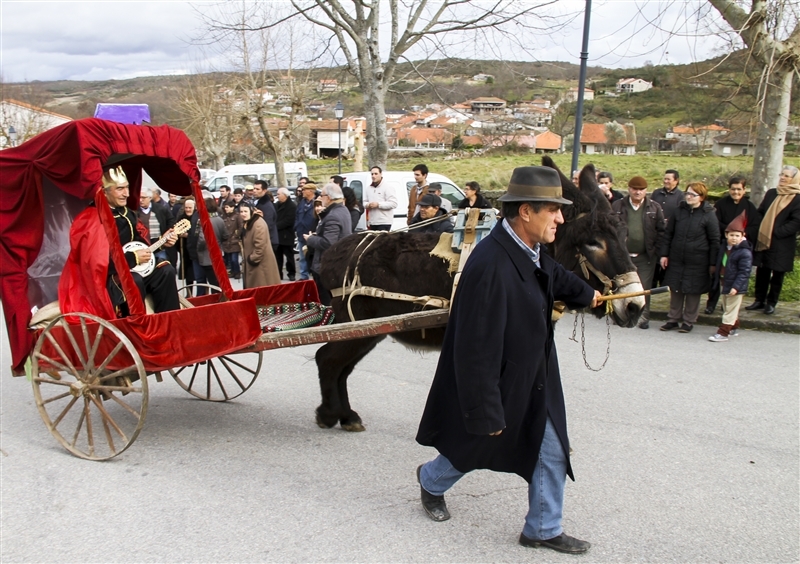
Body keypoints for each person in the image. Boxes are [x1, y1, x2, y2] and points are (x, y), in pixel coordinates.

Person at [415, 166, 599, 555]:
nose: (561, 219)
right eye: (554, 210)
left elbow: (552, 274)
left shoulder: (526, 249)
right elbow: (474, 349)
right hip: (501, 382)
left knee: (550, 448)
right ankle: (431, 481)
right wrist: (484, 410)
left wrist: (588, 294)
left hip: (533, 375)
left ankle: (543, 528)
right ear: (527, 211)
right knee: (473, 447)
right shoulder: (490, 266)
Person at [59, 166, 180, 318]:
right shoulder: (92, 219)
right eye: (120, 189)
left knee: (166, 270)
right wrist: (133, 258)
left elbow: (139, 244)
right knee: (132, 281)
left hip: (134, 270)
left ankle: (170, 321)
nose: (127, 194)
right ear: (104, 192)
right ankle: (139, 329)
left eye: (127, 188)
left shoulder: (127, 213)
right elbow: (95, 263)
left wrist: (161, 242)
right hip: (108, 279)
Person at [658, 181, 720, 333]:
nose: (689, 197)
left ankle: (689, 321)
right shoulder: (679, 211)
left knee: (693, 291)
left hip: (698, 260)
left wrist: (712, 263)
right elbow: (669, 234)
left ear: (702, 197)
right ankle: (673, 318)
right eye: (687, 193)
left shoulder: (709, 214)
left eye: (693, 194)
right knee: (676, 289)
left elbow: (714, 240)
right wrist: (664, 254)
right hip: (677, 258)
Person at [611, 176, 665, 329]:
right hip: (623, 256)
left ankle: (642, 317)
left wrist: (655, 250)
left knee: (644, 287)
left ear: (646, 191)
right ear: (629, 189)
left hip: (645, 256)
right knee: (621, 286)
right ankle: (620, 314)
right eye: (634, 189)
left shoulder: (654, 207)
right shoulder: (617, 205)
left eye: (641, 189)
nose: (637, 192)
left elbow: (661, 230)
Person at [746, 165, 800, 315]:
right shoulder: (771, 193)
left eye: (787, 176)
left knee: (777, 273)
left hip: (782, 242)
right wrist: (760, 227)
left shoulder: (797, 198)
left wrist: (777, 232)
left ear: (794, 179)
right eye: (781, 174)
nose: (782, 178)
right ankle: (759, 300)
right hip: (764, 238)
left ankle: (771, 302)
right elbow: (761, 212)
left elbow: (796, 222)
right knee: (762, 271)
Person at [705, 176, 761, 314]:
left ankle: (727, 305)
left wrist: (740, 234)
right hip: (722, 245)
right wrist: (729, 232)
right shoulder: (721, 204)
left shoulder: (749, 207)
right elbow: (715, 222)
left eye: (739, 189)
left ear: (744, 190)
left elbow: (755, 225)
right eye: (733, 189)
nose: (736, 192)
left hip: (739, 247)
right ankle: (711, 303)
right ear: (729, 189)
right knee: (717, 275)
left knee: (732, 275)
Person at [304, 183, 352, 305]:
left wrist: (310, 239)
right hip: (337, 263)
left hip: (327, 265)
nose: (319, 198)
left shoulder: (333, 215)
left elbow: (328, 243)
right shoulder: (343, 210)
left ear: (329, 197)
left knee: (327, 302)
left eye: (322, 195)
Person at [709, 212, 753, 342]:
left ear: (742, 236)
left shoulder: (744, 252)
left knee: (730, 310)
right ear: (726, 235)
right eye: (731, 235)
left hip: (735, 285)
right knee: (727, 306)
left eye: (737, 235)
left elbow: (744, 272)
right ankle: (734, 326)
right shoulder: (725, 248)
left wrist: (736, 287)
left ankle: (723, 332)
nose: (734, 238)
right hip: (725, 281)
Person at [651, 169, 684, 288]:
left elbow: (680, 214)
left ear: (676, 181)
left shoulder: (681, 196)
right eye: (665, 179)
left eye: (668, 179)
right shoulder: (656, 193)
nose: (666, 181)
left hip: (670, 234)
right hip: (655, 233)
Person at [239, 203, 281, 289]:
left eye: (245, 211)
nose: (243, 214)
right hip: (255, 263)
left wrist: (251, 259)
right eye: (241, 211)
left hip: (260, 265)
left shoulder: (258, 224)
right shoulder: (249, 222)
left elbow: (260, 246)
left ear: (251, 211)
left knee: (263, 290)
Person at [196, 197, 230, 293]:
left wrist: (199, 249)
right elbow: (226, 235)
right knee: (217, 282)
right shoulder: (219, 220)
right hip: (218, 254)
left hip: (207, 256)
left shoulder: (205, 221)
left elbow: (202, 239)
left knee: (211, 283)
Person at [137, 187, 176, 266]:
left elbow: (171, 220)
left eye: (143, 198)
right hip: (141, 247)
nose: (140, 200)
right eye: (139, 197)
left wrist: (167, 233)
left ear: (150, 198)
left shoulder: (160, 209)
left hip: (159, 247)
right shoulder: (134, 210)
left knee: (163, 266)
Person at [294, 182, 318, 280]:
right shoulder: (302, 202)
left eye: (304, 190)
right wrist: (296, 226)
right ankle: (304, 276)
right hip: (301, 233)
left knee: (313, 256)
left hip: (312, 234)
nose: (302, 191)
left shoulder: (317, 202)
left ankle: (314, 276)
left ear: (310, 191)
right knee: (302, 257)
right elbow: (297, 215)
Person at [275, 187, 298, 281]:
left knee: (289, 256)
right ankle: (278, 273)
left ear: (284, 195)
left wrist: (276, 226)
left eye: (278, 194)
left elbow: (289, 220)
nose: (277, 196)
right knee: (278, 257)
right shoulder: (276, 205)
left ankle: (291, 273)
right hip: (277, 235)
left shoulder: (292, 206)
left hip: (287, 235)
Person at [366, 166, 397, 232]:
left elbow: (393, 203)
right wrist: (368, 205)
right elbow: (364, 202)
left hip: (384, 222)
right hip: (372, 222)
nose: (373, 176)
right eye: (372, 174)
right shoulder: (368, 188)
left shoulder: (388, 187)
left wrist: (378, 205)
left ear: (381, 174)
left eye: (376, 174)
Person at [221, 201, 243, 280]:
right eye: (225, 207)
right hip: (226, 241)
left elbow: (241, 227)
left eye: (227, 207)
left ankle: (237, 272)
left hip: (234, 241)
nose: (225, 209)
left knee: (234, 259)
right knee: (229, 259)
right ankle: (233, 271)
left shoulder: (237, 216)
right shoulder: (223, 216)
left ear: (232, 207)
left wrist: (236, 236)